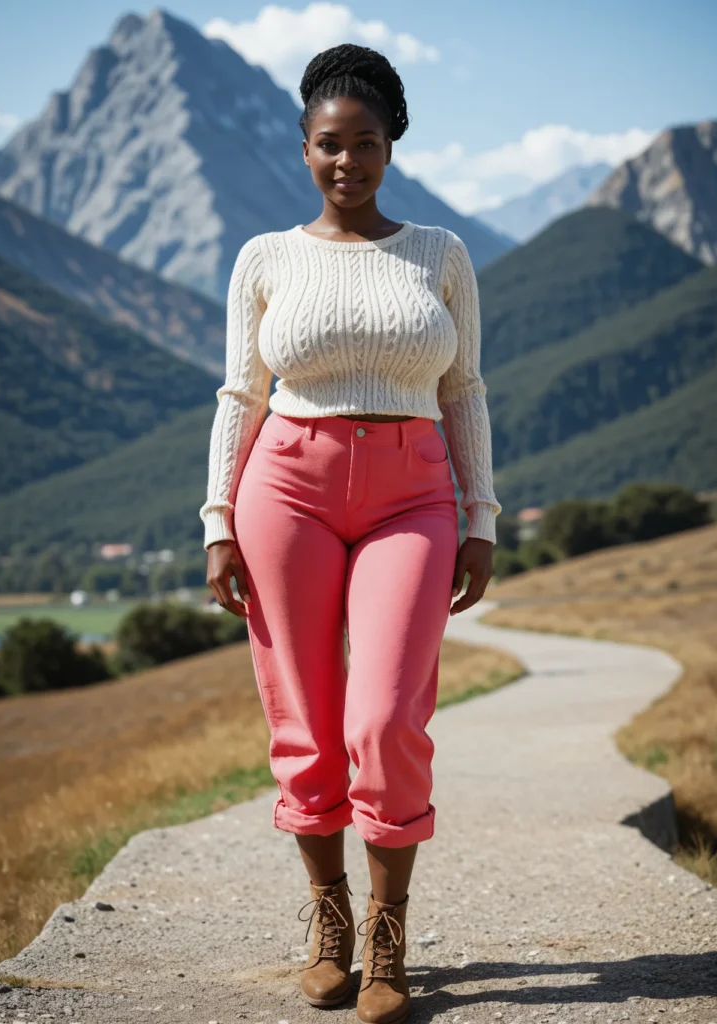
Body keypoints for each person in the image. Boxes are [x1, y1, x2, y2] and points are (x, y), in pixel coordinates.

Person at [199, 42, 501, 1024]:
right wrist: (215, 521)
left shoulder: (440, 254)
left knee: (380, 719)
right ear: (302, 147)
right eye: (328, 144)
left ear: (389, 146)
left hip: (411, 492)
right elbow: (240, 395)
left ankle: (387, 933)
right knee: (305, 716)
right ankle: (327, 915)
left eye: (364, 143)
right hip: (282, 485)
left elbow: (463, 390)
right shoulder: (264, 257)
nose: (346, 161)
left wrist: (479, 517)